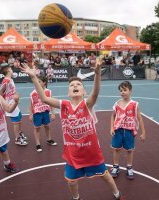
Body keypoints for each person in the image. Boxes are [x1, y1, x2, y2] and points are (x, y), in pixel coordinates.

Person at [19, 60, 123, 200]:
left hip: (91, 152)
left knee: (105, 175)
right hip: (73, 154)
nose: (75, 86)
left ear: (84, 91)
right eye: (72, 85)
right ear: (68, 91)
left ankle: (117, 194)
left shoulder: (87, 104)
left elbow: (95, 93)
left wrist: (97, 75)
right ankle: (76, 198)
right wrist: (33, 77)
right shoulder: (64, 105)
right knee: (71, 181)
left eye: (78, 84)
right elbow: (43, 98)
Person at [110, 81, 146, 180]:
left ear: (130, 91)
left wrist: (143, 132)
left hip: (129, 130)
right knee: (116, 149)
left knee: (130, 150)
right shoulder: (117, 103)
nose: (122, 92)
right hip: (118, 130)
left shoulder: (134, 104)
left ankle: (129, 167)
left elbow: (139, 118)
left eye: (125, 90)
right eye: (121, 90)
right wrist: (112, 127)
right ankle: (115, 166)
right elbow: (112, 116)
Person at [0, 63, 28, 146]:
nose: (12, 70)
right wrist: (3, 103)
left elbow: (12, 90)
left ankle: (20, 133)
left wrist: (16, 98)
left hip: (14, 102)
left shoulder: (10, 79)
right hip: (9, 104)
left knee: (19, 118)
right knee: (16, 121)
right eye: (11, 69)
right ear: (8, 71)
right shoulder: (6, 81)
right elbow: (0, 93)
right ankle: (17, 138)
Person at [29, 75, 57, 152]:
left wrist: (53, 113)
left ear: (44, 83)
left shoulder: (48, 91)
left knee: (47, 126)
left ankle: (49, 139)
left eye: (39, 81)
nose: (37, 83)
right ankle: (38, 144)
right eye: (36, 82)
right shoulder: (33, 93)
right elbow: (31, 104)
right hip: (37, 113)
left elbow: (51, 103)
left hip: (46, 112)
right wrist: (30, 114)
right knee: (37, 128)